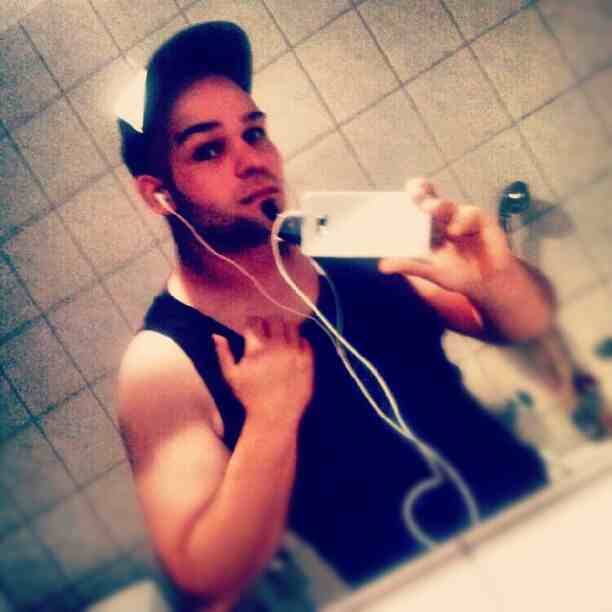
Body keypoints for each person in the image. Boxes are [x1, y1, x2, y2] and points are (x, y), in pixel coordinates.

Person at [116, 21, 554, 612]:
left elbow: (527, 323)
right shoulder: (164, 362)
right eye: (209, 149)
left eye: (254, 132)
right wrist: (270, 421)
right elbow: (205, 577)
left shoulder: (351, 238)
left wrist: (496, 280)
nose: (251, 160)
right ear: (158, 194)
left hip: (547, 527)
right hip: (417, 596)